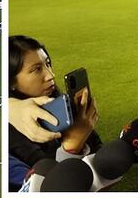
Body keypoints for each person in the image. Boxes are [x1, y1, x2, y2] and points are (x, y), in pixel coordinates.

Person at [8, 35, 101, 167]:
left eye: (48, 64)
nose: (51, 75)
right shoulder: (12, 132)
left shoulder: (58, 102)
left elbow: (100, 151)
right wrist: (72, 146)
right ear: (11, 82)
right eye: (36, 69)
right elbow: (48, 177)